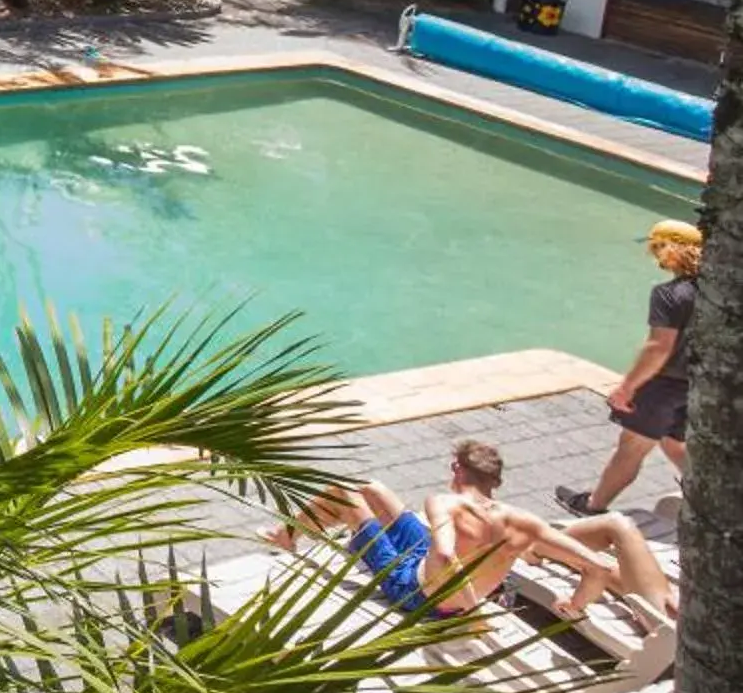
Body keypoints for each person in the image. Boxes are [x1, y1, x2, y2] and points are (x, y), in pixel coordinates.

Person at [270, 441, 674, 623]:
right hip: (435, 570)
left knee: (347, 495)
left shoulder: (443, 504)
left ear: (457, 472)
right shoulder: (523, 521)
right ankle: (287, 534)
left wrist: (471, 611)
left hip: (417, 591)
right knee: (370, 486)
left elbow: (446, 558)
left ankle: (288, 535)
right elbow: (596, 567)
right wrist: (577, 604)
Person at [558, 220, 701, 518]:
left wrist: (627, 388)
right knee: (674, 441)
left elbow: (658, 348)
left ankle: (593, 507)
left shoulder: (669, 294)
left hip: (663, 385)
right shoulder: (719, 292)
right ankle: (712, 497)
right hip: (700, 385)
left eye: (655, 249)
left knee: (632, 447)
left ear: (667, 251)